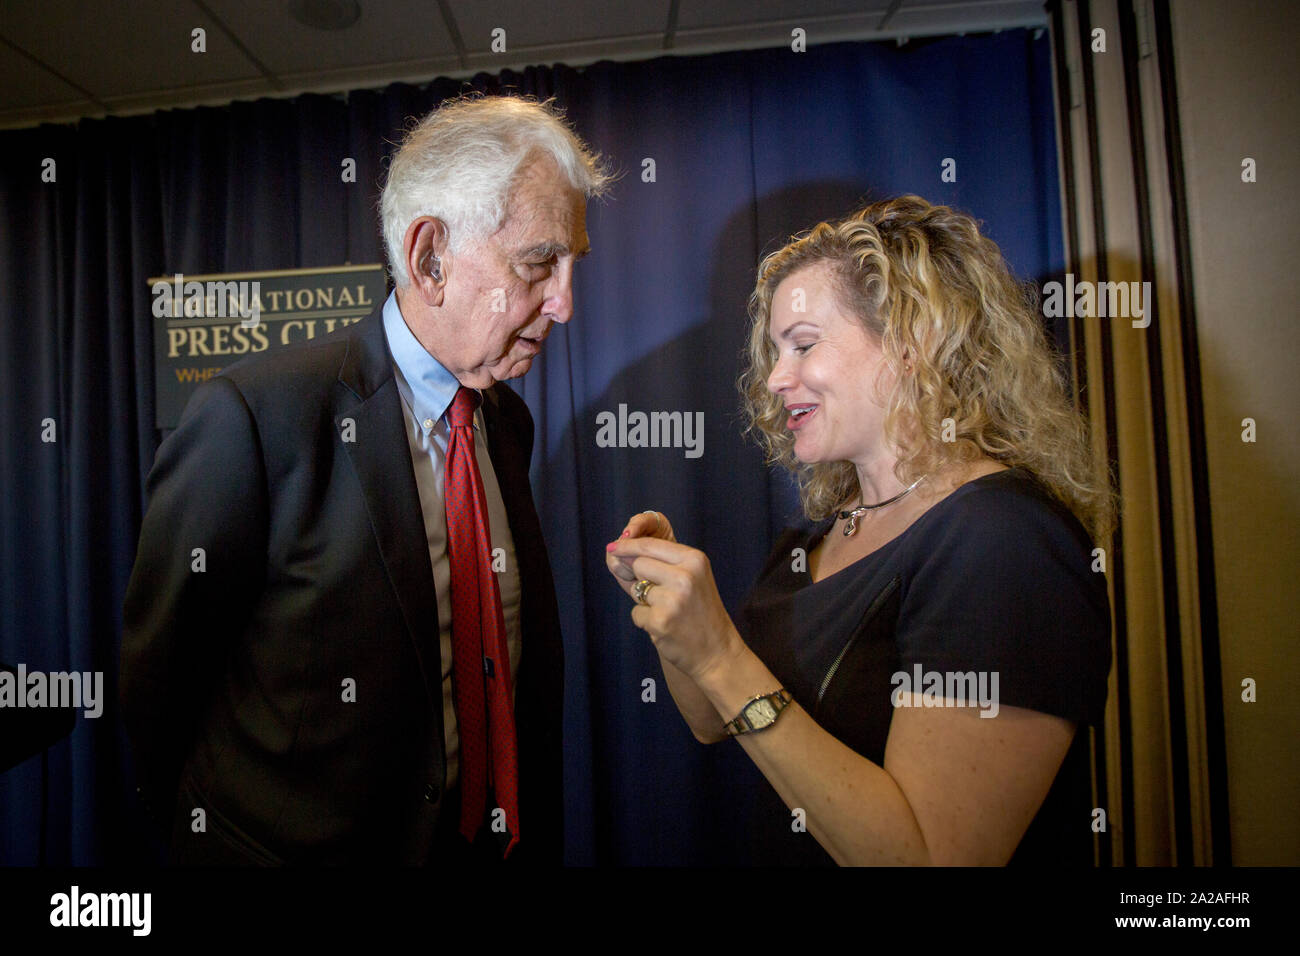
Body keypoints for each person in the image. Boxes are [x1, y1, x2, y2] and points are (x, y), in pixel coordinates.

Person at [121, 95, 610, 864]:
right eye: (539, 263)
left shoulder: (505, 421)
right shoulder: (254, 418)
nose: (565, 303)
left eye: (574, 264)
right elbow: (160, 689)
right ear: (430, 259)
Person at [606, 196, 1113, 865]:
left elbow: (928, 858)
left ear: (912, 341)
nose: (776, 378)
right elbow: (711, 721)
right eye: (774, 352)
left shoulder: (1002, 542)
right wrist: (673, 614)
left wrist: (718, 655)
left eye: (804, 345)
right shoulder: (817, 541)